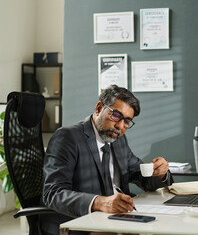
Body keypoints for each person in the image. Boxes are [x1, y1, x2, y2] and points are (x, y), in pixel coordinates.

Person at [41, 85, 173, 235]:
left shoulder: (118, 141)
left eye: (127, 121)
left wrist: (160, 173)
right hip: (80, 222)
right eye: (116, 116)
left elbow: (141, 176)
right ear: (99, 108)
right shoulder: (68, 137)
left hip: (116, 219)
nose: (120, 126)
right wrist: (101, 202)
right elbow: (53, 193)